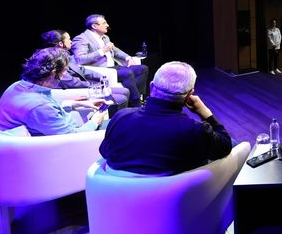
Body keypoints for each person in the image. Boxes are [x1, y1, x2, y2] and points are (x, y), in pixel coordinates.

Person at [99, 61, 234, 175]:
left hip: (116, 193)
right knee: (233, 143)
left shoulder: (121, 117)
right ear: (189, 95)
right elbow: (225, 146)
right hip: (179, 195)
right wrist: (206, 114)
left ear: (151, 86)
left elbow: (104, 152)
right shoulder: (195, 130)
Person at [0, 47, 106, 135]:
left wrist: (75, 103)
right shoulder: (39, 106)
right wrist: (94, 122)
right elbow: (72, 136)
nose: (64, 75)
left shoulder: (18, 86)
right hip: (68, 143)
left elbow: (44, 111)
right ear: (53, 74)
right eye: (64, 71)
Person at [41, 29, 130, 110]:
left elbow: (81, 69)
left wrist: (101, 77)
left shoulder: (64, 54)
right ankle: (115, 119)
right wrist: (93, 85)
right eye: (68, 39)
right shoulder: (53, 58)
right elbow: (70, 82)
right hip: (71, 91)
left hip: (81, 87)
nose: (71, 41)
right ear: (61, 43)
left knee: (125, 91)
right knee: (122, 98)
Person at [72, 14, 148, 108]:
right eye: (104, 23)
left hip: (112, 68)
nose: (107, 25)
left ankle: (136, 99)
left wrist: (128, 58)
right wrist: (102, 51)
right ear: (94, 26)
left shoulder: (105, 37)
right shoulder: (81, 39)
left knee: (142, 69)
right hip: (98, 70)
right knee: (127, 73)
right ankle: (136, 105)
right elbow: (80, 59)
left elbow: (115, 50)